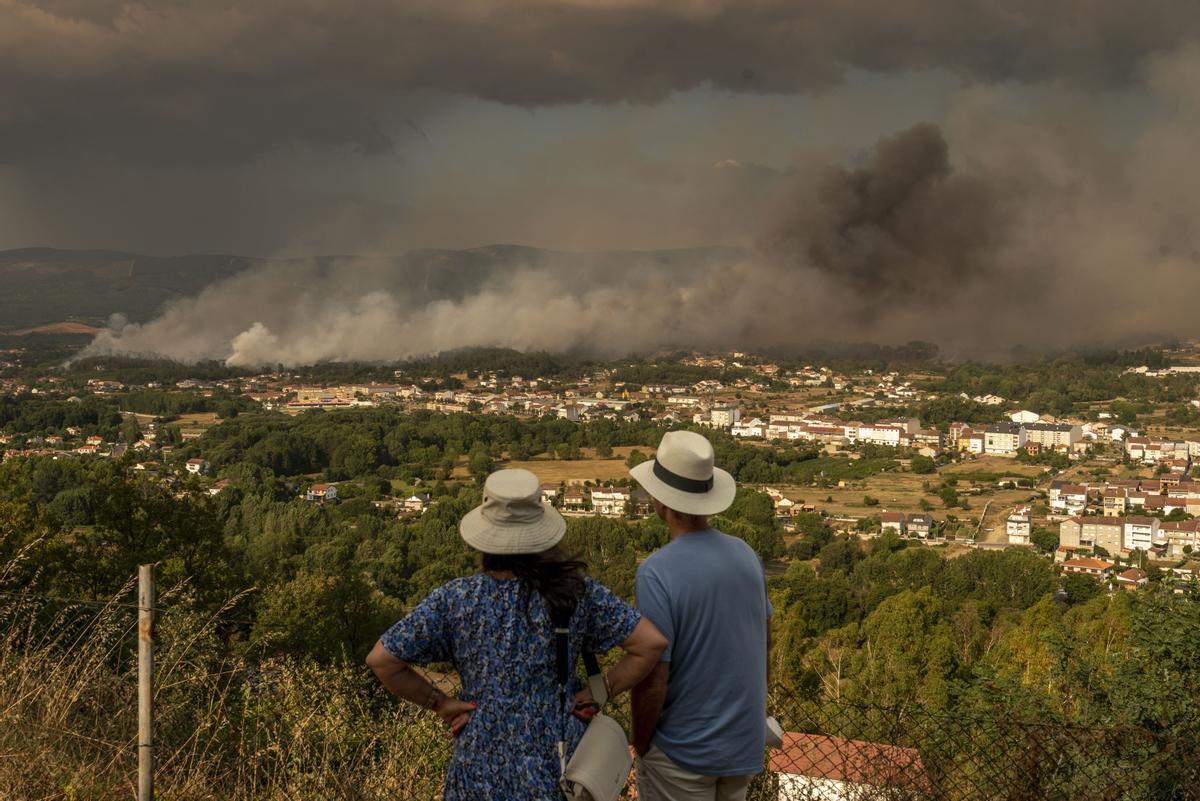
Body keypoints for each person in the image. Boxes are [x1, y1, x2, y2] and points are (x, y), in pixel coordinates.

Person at [366, 468, 667, 801]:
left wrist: (441, 703)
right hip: (558, 765)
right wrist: (602, 689)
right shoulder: (575, 594)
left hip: (478, 766)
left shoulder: (456, 599)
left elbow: (382, 660)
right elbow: (650, 643)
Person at [629, 430, 772, 801]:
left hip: (682, 752)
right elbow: (763, 645)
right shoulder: (746, 555)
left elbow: (654, 677)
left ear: (661, 501)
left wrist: (641, 742)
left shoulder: (656, 572)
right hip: (743, 746)